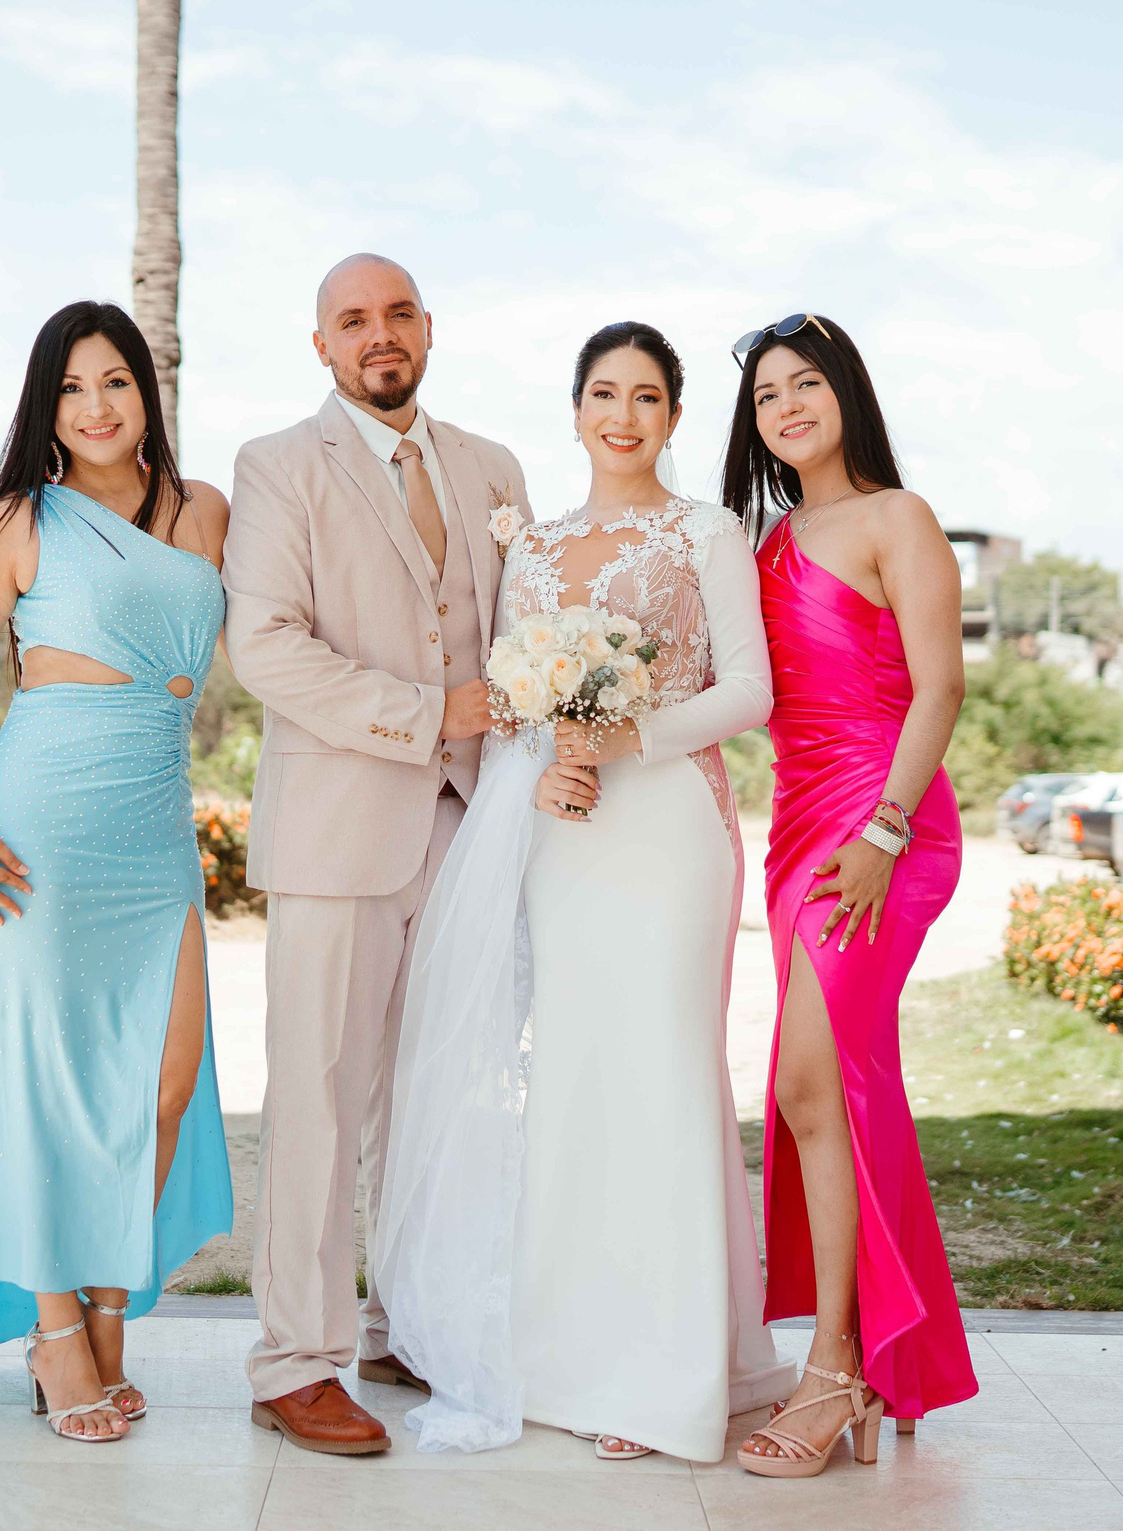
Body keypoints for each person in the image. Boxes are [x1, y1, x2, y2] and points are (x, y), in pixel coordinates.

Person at [373, 322, 800, 1462]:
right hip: (561, 837)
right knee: (573, 1080)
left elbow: (749, 690)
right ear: (575, 411)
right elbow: (517, 699)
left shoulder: (706, 530)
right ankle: (571, 1362)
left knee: (662, 1075)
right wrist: (551, 751)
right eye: (603, 394)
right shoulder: (535, 543)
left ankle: (666, 1380)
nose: (623, 415)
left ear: (671, 417)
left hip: (666, 832)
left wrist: (625, 739)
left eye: (647, 397)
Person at [0, 301, 236, 1445]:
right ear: (45, 406)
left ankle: (110, 1302)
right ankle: (59, 1331)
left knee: (163, 1085)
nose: (97, 406)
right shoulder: (21, 519)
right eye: (72, 389)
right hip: (40, 819)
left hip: (154, 820)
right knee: (44, 1084)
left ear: (145, 391)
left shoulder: (205, 510)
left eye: (115, 381)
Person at [223, 254, 533, 1456]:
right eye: (353, 320)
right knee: (318, 1096)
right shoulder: (277, 467)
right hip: (339, 829)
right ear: (322, 346)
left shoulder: (493, 466)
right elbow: (267, 647)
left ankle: (412, 1318)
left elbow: (524, 626)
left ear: (429, 329)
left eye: (398, 313)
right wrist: (428, 710)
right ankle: (294, 1361)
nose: (379, 335)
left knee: (433, 1094)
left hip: (469, 826)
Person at [720, 313, 981, 1478]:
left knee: (810, 1083)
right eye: (767, 395)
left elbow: (940, 687)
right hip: (799, 834)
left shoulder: (897, 518)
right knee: (836, 1091)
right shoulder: (763, 543)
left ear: (846, 395)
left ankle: (838, 1364)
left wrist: (881, 830)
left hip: (886, 826)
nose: (785, 407)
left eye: (804, 384)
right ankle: (883, 1360)